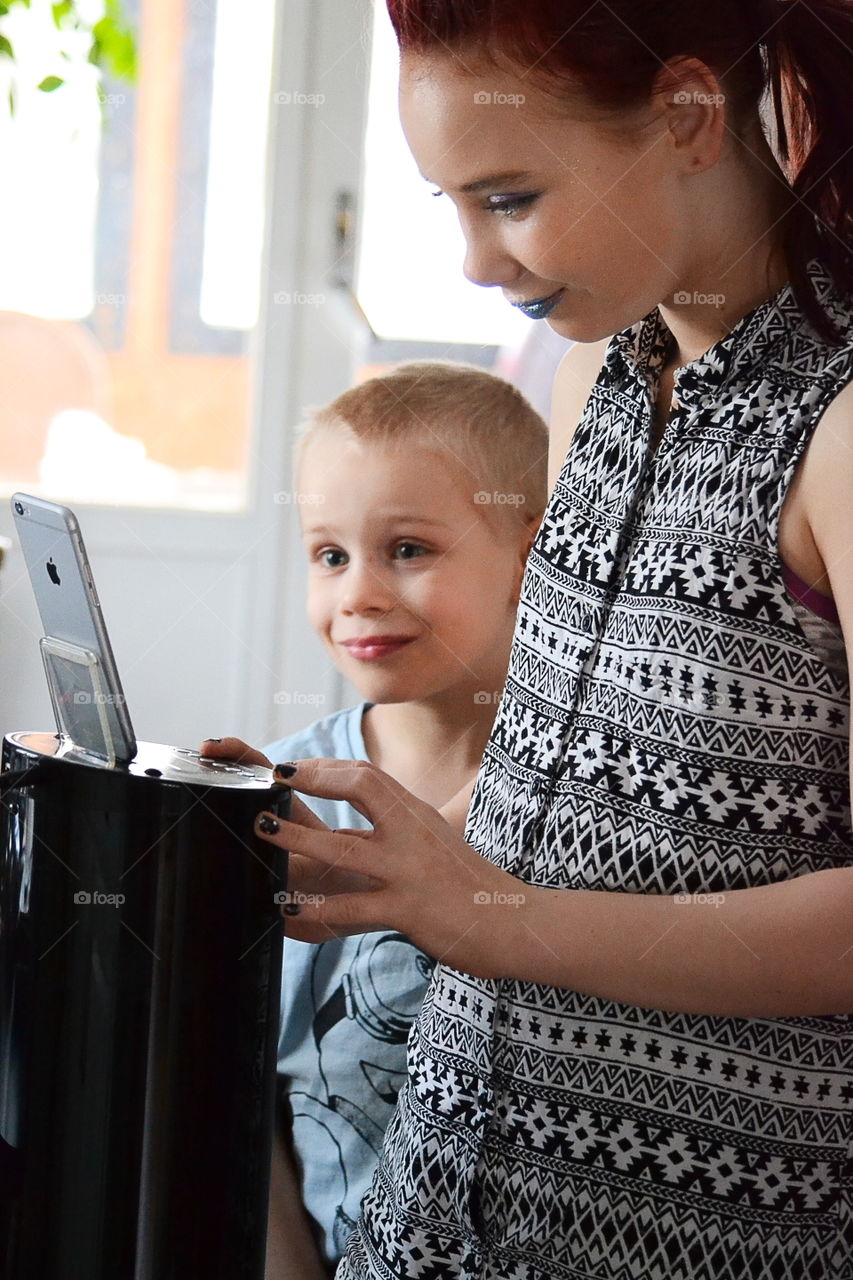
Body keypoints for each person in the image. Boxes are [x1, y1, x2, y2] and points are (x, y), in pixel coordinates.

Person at [247, 1, 853, 1277]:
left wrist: (488, 910)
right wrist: (411, 865)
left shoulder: (837, 430)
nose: (475, 259)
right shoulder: (593, 376)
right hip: (435, 1221)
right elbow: (619, 834)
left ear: (687, 117)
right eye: (449, 205)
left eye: (510, 196)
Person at [202, 359, 548, 1277]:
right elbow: (247, 1106)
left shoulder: (574, 795)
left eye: (407, 549)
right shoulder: (286, 799)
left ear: (529, 549)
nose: (356, 591)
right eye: (329, 555)